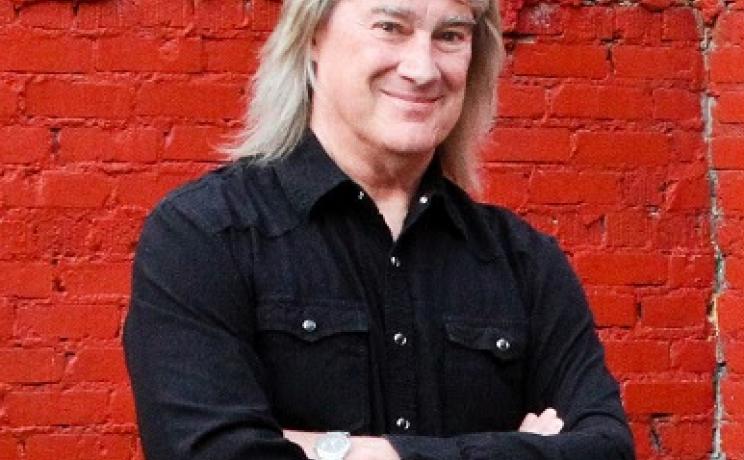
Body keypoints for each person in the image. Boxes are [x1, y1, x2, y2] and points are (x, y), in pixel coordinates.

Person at [123, 0, 636, 458]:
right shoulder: (205, 237)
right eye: (391, 27)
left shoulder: (523, 263)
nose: (422, 69)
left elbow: (606, 447)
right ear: (312, 34)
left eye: (450, 35)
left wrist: (341, 451)